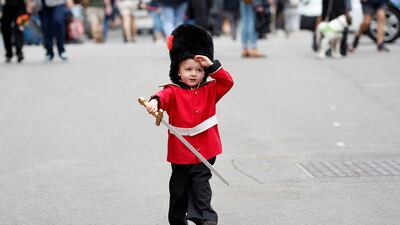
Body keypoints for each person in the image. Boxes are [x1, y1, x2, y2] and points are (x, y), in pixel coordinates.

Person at [144, 24, 234, 225]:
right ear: (177, 71)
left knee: (201, 185)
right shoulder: (172, 90)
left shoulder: (211, 89)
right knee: (179, 190)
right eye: (188, 69)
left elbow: (227, 82)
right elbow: (161, 97)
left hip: (205, 150)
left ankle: (206, 218)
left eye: (199, 70)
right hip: (181, 152)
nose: (193, 73)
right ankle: (178, 219)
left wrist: (212, 65)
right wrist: (153, 103)